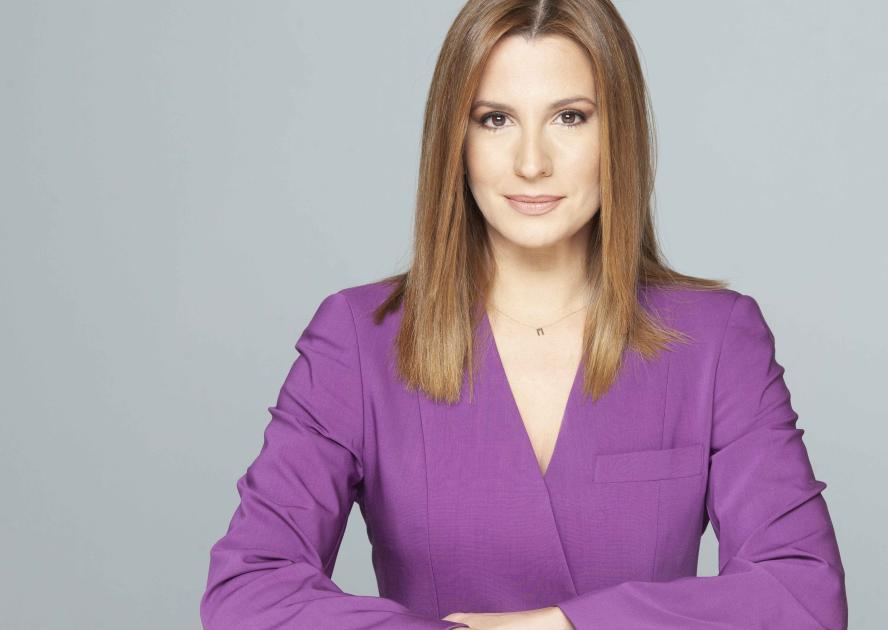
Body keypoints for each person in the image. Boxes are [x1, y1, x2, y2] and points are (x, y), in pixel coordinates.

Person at [199, 1, 848, 628]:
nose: (532, 163)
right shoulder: (359, 340)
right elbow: (249, 590)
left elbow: (802, 596)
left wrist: (566, 626)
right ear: (454, 139)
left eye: (569, 117)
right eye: (495, 119)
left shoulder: (715, 340)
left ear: (617, 132)